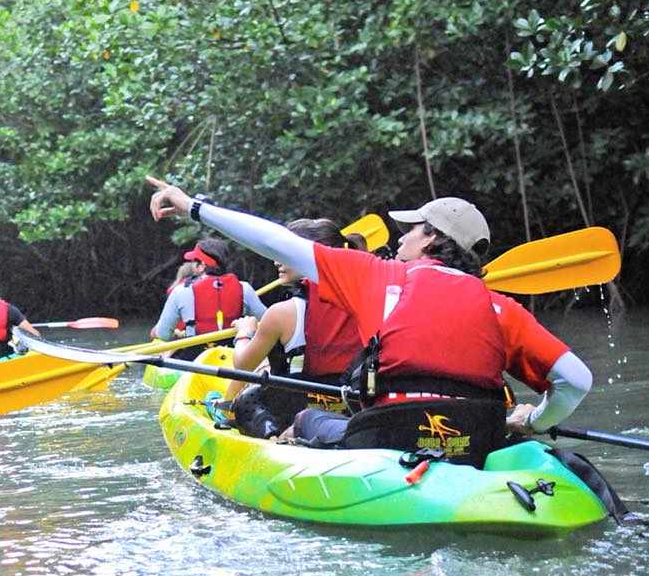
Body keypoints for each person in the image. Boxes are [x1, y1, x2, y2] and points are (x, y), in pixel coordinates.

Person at [148, 177, 593, 467]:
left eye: (412, 228)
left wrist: (194, 206)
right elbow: (575, 379)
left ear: (432, 238)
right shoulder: (501, 307)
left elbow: (275, 241)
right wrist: (533, 421)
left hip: (390, 434)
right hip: (476, 439)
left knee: (306, 420)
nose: (401, 237)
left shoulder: (376, 276)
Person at [223, 219, 367, 438]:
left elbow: (242, 365)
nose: (276, 262)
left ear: (309, 258)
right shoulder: (368, 301)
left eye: (285, 253)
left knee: (249, 399)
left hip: (295, 410)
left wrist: (244, 332)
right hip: (354, 407)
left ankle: (273, 439)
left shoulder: (281, 313)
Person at [150, 237, 268, 360]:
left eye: (195, 262)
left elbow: (163, 335)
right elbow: (266, 322)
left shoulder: (180, 291)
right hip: (234, 357)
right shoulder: (245, 288)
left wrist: (178, 335)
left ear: (202, 266)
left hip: (196, 359)